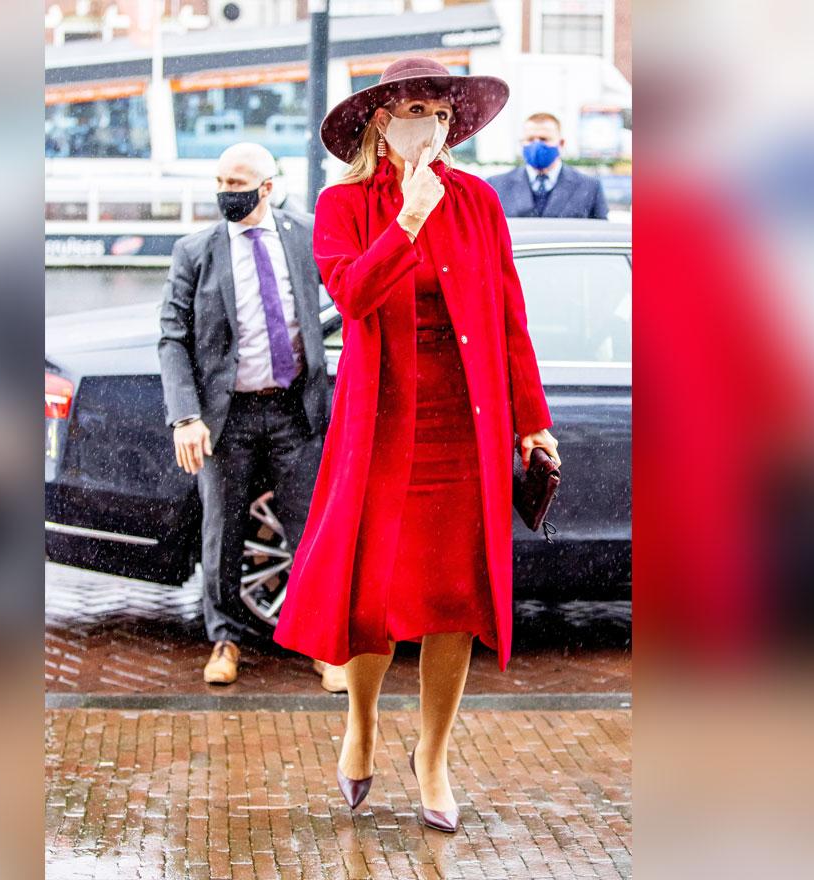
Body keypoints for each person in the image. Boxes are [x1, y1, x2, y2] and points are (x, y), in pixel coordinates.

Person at [270, 57, 561, 833]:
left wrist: (532, 418)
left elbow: (508, 315)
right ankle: (361, 725)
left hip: (465, 427)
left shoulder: (480, 203)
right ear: (380, 122)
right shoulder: (344, 205)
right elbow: (353, 296)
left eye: (437, 112)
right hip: (383, 423)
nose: (425, 124)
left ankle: (432, 755)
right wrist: (406, 219)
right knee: (375, 592)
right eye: (410, 110)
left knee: (455, 601)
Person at [157, 143, 344, 692]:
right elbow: (172, 338)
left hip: (295, 408)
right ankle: (225, 640)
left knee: (310, 528)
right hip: (226, 415)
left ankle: (320, 644)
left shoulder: (306, 237)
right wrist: (185, 416)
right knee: (222, 530)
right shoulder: (196, 251)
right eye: (219, 181)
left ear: (266, 187)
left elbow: (345, 299)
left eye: (236, 182)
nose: (225, 192)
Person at [486, 112, 609, 219]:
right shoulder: (496, 186)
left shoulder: (589, 187)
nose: (536, 145)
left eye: (544, 139)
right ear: (522, 143)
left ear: (561, 143)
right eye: (530, 139)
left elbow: (601, 234)